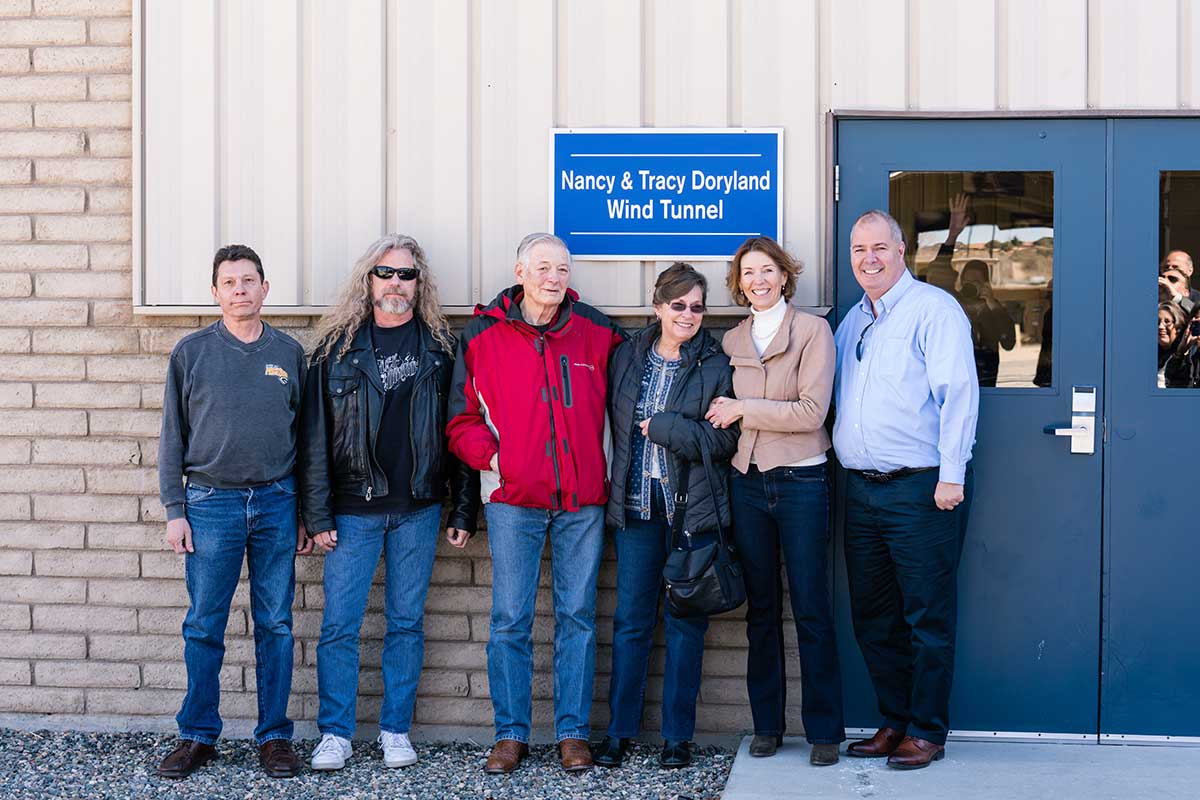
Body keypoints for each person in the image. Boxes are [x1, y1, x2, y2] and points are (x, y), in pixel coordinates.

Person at [298, 234, 479, 771]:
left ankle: (395, 730)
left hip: (418, 510)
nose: (396, 283)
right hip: (351, 513)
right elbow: (312, 441)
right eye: (386, 274)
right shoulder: (334, 352)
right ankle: (335, 733)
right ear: (368, 282)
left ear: (418, 285)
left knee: (405, 623)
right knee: (339, 627)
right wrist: (318, 513)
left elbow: (462, 430)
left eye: (406, 275)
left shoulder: (442, 351)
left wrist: (464, 507)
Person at [446, 232, 624, 774]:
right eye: (543, 267)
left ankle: (572, 733)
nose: (554, 277)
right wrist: (496, 461)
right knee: (509, 619)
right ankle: (510, 733)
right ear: (520, 271)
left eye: (562, 269)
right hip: (512, 499)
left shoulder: (597, 332)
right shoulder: (481, 336)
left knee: (578, 617)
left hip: (581, 502)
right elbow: (460, 417)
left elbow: (641, 379)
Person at [156, 245, 309, 779]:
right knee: (204, 624)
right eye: (229, 282)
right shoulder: (191, 352)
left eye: (249, 281)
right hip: (209, 503)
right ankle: (198, 735)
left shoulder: (289, 353)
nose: (240, 290)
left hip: (276, 501)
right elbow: (172, 438)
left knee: (276, 622)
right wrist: (175, 509)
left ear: (266, 289)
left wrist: (308, 512)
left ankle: (274, 738)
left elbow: (307, 440)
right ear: (215, 291)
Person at [833, 210, 978, 770]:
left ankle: (927, 729)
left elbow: (958, 395)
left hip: (920, 490)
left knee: (926, 616)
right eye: (858, 249)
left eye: (879, 248)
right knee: (874, 616)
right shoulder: (853, 322)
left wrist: (951, 475)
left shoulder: (933, 311)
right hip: (862, 493)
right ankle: (893, 720)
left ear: (901, 251)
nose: (868, 258)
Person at [702, 236, 844, 766]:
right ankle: (767, 726)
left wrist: (743, 409)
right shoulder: (732, 338)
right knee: (760, 610)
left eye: (767, 270)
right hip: (747, 482)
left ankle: (825, 731)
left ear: (785, 276)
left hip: (803, 481)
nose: (757, 280)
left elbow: (811, 412)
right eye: (748, 273)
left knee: (811, 607)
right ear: (738, 283)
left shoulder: (813, 331)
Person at [593, 263, 738, 770]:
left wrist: (667, 428)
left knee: (685, 624)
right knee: (631, 621)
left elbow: (724, 440)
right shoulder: (628, 356)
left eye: (698, 306)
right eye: (678, 305)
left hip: (690, 512)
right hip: (636, 510)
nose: (688, 315)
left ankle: (678, 736)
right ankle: (619, 733)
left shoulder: (716, 363)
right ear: (658, 307)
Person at [957, 260, 1016, 387]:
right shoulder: (953, 306)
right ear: (961, 282)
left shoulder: (993, 308)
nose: (970, 286)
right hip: (958, 381)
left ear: (986, 284)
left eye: (976, 282)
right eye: (967, 282)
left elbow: (1009, 343)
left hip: (986, 382)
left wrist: (992, 304)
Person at [1158, 301, 1187, 387]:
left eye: (1167, 322)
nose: (1160, 327)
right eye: (1157, 322)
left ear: (1178, 327)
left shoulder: (1186, 358)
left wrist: (1178, 297)